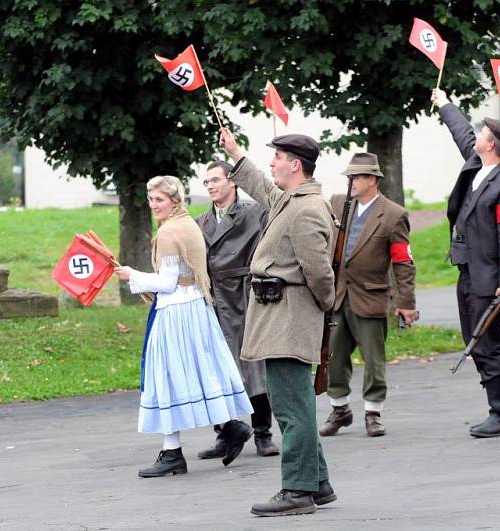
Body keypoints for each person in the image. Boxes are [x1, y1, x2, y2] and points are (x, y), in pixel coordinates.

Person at [219, 128, 337, 517]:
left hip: (289, 318)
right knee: (295, 403)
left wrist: (321, 309)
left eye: (278, 158)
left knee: (292, 408)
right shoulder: (292, 201)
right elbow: (259, 186)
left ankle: (297, 490)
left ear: (296, 164)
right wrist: (236, 153)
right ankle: (316, 482)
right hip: (281, 317)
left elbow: (320, 272)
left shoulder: (305, 209)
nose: (271, 163)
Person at [115, 175, 254, 478]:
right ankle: (231, 427)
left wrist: (132, 275)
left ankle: (173, 453)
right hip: (195, 308)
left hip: (177, 310)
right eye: (151, 200)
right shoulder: (189, 224)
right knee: (202, 371)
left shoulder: (169, 233)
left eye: (159, 200)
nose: (154, 206)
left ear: (174, 200)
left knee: (168, 376)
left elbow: (167, 282)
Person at [431, 88, 500, 438]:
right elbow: (462, 133)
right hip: (468, 270)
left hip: (490, 277)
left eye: (482, 135)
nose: (476, 137)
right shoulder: (477, 165)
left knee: (485, 343)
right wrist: (443, 104)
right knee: (475, 341)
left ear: (492, 145)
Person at [319, 153, 418, 438]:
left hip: (371, 296)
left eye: (357, 177)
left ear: (372, 179)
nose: (350, 181)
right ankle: (339, 409)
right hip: (337, 295)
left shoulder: (393, 214)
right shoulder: (338, 203)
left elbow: (403, 261)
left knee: (374, 360)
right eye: (349, 176)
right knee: (333, 356)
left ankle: (373, 412)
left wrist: (406, 303)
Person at [195, 160, 280, 460]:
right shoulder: (201, 222)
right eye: (207, 182)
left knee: (253, 366)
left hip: (245, 295)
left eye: (216, 179)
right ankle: (225, 434)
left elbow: (275, 207)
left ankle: (263, 433)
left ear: (233, 181)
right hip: (216, 298)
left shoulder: (254, 213)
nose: (211, 186)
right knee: (219, 370)